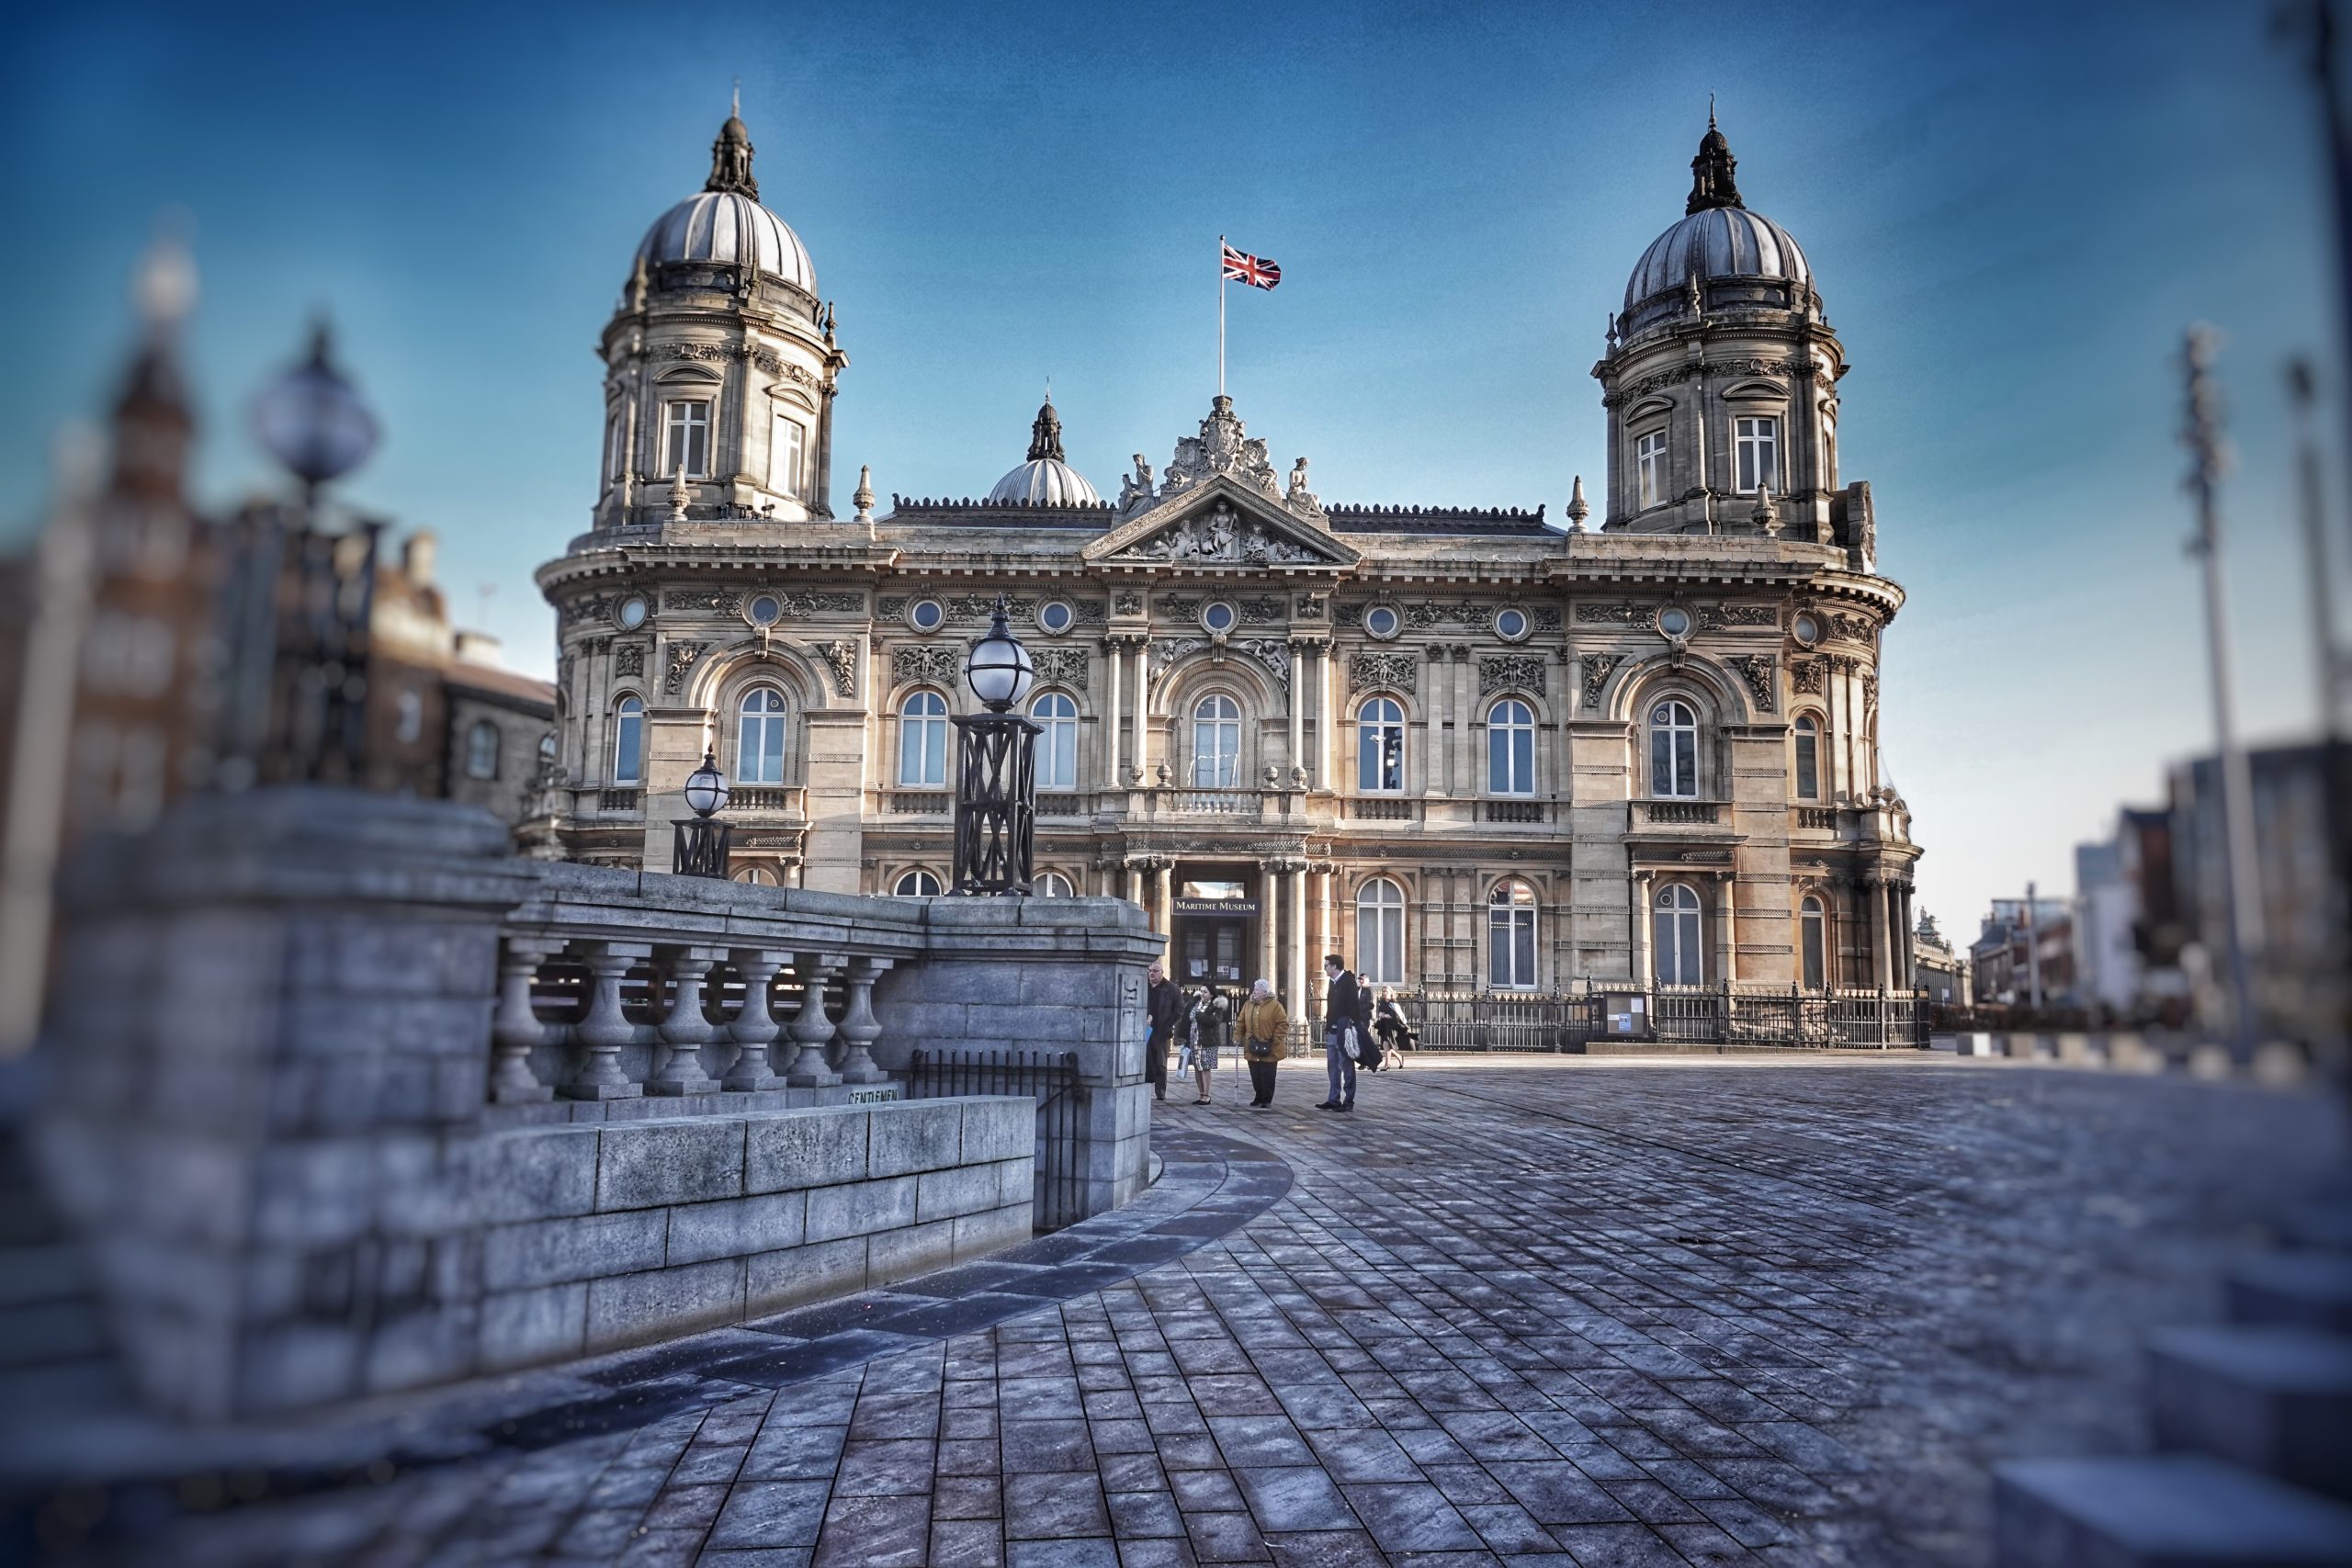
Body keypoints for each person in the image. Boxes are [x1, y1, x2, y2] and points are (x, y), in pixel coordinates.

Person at [1318, 953, 1363, 1111]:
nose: (1324, 968)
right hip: (1332, 1031)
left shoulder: (1348, 982)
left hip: (1345, 1031)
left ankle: (1348, 1101)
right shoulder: (1332, 982)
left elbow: (1354, 1008)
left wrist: (1351, 1027)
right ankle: (1333, 1098)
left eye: (1326, 965)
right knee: (1332, 1066)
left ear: (1334, 967)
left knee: (1346, 1065)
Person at [1238, 978, 1287, 1108]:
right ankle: (1258, 1096)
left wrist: (1276, 1039)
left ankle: (1267, 1099)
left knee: (1268, 1074)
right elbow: (1241, 1021)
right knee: (1255, 1074)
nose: (1254, 992)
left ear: (1265, 992)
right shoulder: (1248, 1005)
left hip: (1269, 1046)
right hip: (1252, 1045)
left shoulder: (1276, 1006)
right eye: (1254, 989)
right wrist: (1237, 1036)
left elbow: (1283, 1024)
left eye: (1257, 990)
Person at [1144, 962, 1181, 1100]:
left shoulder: (1171, 988)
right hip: (1145, 1029)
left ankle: (1160, 1091)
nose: (1151, 973)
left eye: (1155, 971)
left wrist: (1168, 1024)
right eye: (1150, 971)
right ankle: (1145, 1088)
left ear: (1162, 973)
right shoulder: (1143, 985)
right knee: (1145, 1060)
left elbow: (1179, 1009)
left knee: (1161, 1062)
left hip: (1161, 1030)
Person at [1193, 991, 1229, 1105]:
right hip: (1195, 1040)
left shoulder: (1217, 1007)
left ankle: (1207, 1095)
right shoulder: (1196, 1004)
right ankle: (1201, 1094)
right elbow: (1187, 1018)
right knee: (1198, 1068)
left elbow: (1214, 1021)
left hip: (1209, 1041)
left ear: (1211, 994)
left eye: (1205, 991)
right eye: (1201, 991)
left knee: (1206, 1068)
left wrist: (1200, 1016)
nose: (1202, 994)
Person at [1373, 987, 1417, 1070]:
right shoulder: (1382, 1001)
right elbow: (1381, 1012)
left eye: (1386, 991)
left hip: (1393, 1027)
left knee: (1386, 1044)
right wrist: (1384, 1015)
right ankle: (1399, 1057)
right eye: (1383, 991)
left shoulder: (1393, 1002)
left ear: (1390, 992)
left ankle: (1387, 1064)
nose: (1384, 993)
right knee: (1386, 1045)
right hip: (1385, 1025)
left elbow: (1395, 1016)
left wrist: (1385, 1015)